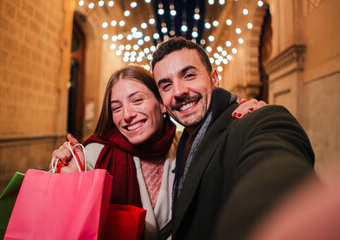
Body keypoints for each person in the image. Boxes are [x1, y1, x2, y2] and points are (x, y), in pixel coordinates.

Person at [50, 65, 263, 239]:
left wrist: (251, 117)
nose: (127, 115)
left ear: (162, 104)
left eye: (137, 100)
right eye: (116, 107)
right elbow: (63, 223)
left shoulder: (186, 147)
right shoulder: (94, 155)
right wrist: (68, 182)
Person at [151, 37, 315, 240]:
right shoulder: (180, 143)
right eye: (166, 86)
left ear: (215, 78)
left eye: (189, 75)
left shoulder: (256, 119)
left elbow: (278, 172)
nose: (178, 91)